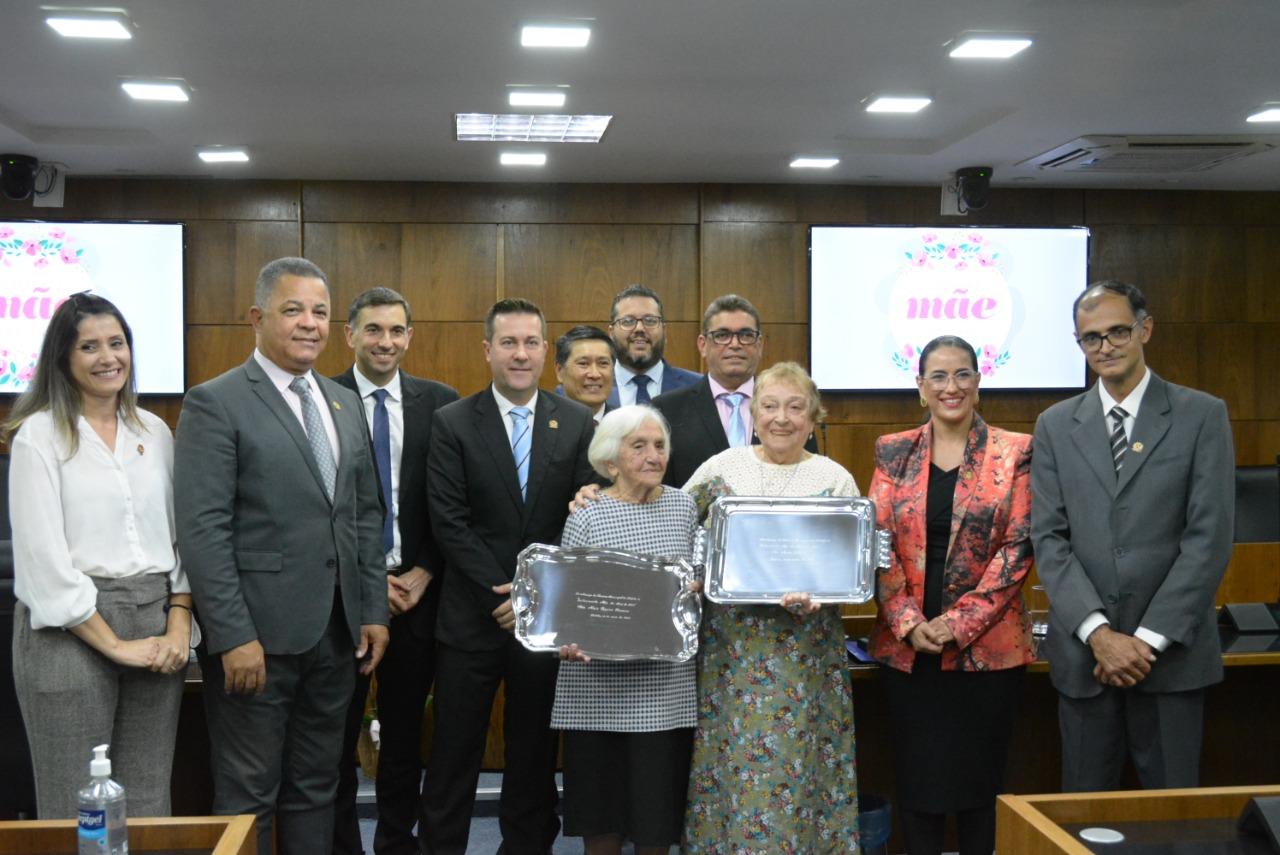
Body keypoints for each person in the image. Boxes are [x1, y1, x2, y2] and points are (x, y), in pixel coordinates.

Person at [174, 257, 389, 855]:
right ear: (257, 318)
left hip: (337, 636)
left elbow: (363, 515)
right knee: (247, 793)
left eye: (320, 312)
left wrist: (372, 610)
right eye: (292, 310)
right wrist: (231, 634)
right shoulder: (215, 402)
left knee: (317, 787)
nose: (309, 324)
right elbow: (203, 529)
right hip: (256, 642)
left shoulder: (341, 403)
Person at [1032, 280, 1234, 791]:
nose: (1105, 346)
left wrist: (1143, 643)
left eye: (1117, 331)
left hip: (1170, 660)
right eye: (1091, 337)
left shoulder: (1201, 415)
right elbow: (1050, 540)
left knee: (1171, 822)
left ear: (1145, 329)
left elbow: (1208, 539)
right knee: (1082, 822)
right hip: (1085, 661)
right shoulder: (1055, 425)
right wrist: (1100, 636)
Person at [6, 293, 191, 819]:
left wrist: (179, 623)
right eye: (89, 346)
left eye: (117, 343)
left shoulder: (154, 432)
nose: (108, 356)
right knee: (78, 803)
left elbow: (182, 539)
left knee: (150, 800)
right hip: (71, 631)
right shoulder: (38, 436)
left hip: (154, 621)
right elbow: (43, 561)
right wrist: (114, 645)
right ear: (63, 358)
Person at [421, 298, 595, 855]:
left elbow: (582, 517)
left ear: (546, 351)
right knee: (453, 753)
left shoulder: (574, 422)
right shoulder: (451, 422)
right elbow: (448, 520)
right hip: (471, 617)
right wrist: (505, 591)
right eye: (508, 343)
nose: (520, 354)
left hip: (544, 620)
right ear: (488, 350)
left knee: (534, 753)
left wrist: (531, 596)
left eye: (530, 343)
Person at [681, 361, 860, 853]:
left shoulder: (835, 479)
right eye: (770, 406)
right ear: (753, 414)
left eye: (795, 407)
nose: (782, 418)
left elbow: (853, 566)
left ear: (813, 416)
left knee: (803, 768)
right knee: (733, 767)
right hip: (733, 658)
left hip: (808, 657)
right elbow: (673, 522)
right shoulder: (722, 468)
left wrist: (823, 595)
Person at [868, 335, 1034, 855]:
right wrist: (908, 621)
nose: (951, 386)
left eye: (962, 374)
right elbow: (876, 543)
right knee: (919, 790)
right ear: (920, 388)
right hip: (908, 652)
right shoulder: (893, 451)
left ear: (979, 383)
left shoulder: (1016, 451)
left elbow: (1019, 547)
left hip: (986, 654)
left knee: (978, 792)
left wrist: (955, 625)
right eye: (938, 376)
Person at [332, 287, 459, 855]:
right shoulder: (320, 399)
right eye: (374, 330)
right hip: (343, 599)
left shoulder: (442, 404)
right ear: (351, 335)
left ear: (410, 336)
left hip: (418, 594)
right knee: (336, 738)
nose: (386, 341)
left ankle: (395, 844)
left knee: (406, 736)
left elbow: (453, 503)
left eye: (396, 331)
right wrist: (365, 582)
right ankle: (341, 845)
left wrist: (427, 569)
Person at [552, 405, 700, 855]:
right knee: (602, 817)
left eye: (659, 446)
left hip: (663, 691)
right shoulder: (589, 513)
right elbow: (567, 599)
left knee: (656, 822)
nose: (653, 455)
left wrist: (693, 590)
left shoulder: (684, 506)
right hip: (596, 689)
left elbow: (694, 585)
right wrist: (565, 639)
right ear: (610, 460)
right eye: (639, 446)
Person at [606, 284, 699, 409]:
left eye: (650, 321)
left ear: (664, 330)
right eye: (628, 321)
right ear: (611, 333)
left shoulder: (697, 387)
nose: (639, 328)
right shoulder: (590, 386)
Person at [555, 324, 616, 423]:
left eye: (603, 363)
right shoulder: (540, 423)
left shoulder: (627, 427)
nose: (595, 374)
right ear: (560, 371)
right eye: (583, 363)